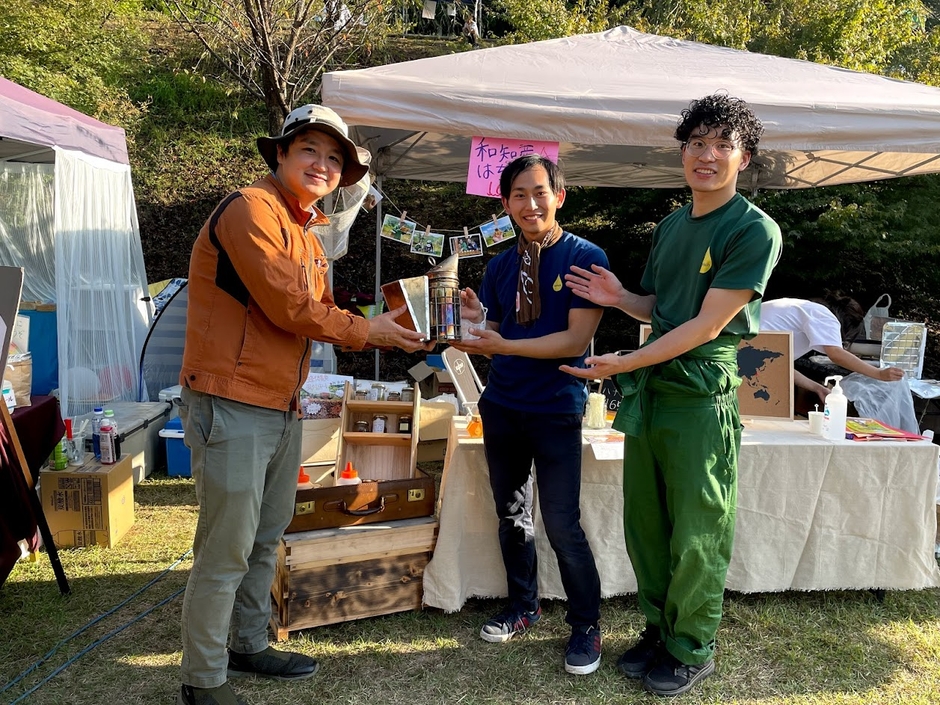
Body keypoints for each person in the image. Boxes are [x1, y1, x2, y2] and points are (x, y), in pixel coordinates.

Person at [177, 104, 429, 705]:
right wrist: (375, 333)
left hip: (282, 401)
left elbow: (320, 310)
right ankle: (202, 678)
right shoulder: (250, 210)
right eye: (310, 151)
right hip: (231, 399)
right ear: (283, 155)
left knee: (266, 536)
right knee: (226, 546)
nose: (323, 164)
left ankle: (247, 642)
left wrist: (390, 318)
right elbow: (293, 309)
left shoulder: (306, 228)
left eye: (335, 158)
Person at [562, 94, 782, 696]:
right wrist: (618, 298)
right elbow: (659, 309)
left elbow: (707, 325)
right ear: (681, 151)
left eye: (721, 145)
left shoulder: (753, 228)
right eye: (696, 143)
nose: (706, 156)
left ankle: (692, 644)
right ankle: (659, 630)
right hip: (654, 391)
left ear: (744, 157)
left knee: (698, 527)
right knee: (648, 525)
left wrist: (626, 361)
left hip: (700, 393)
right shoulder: (670, 225)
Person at [453, 154, 608, 675]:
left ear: (559, 196)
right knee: (512, 515)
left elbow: (575, 340)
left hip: (557, 408)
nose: (530, 203)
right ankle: (524, 606)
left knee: (562, 522)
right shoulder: (500, 264)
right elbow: (498, 330)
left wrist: (504, 344)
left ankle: (586, 625)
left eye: (540, 192)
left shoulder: (586, 257)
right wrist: (477, 320)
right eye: (518, 194)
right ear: (505, 204)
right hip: (501, 405)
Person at [759, 296, 905, 403]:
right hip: (745, 351)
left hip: (743, 349)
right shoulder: (825, 317)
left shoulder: (804, 310)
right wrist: (878, 373)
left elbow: (780, 367)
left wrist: (817, 388)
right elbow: (836, 354)